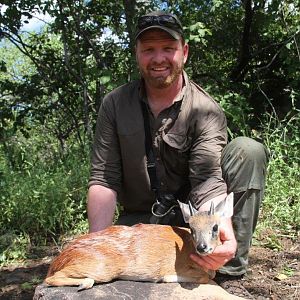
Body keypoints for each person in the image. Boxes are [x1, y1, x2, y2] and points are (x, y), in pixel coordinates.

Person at [87, 10, 269, 296]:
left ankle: (225, 266)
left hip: (194, 224)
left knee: (248, 150)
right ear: (137, 54)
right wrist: (95, 244)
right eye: (149, 50)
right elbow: (103, 180)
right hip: (140, 224)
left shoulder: (206, 109)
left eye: (168, 49)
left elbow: (208, 180)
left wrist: (223, 233)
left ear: (184, 52)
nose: (158, 59)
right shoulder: (114, 104)